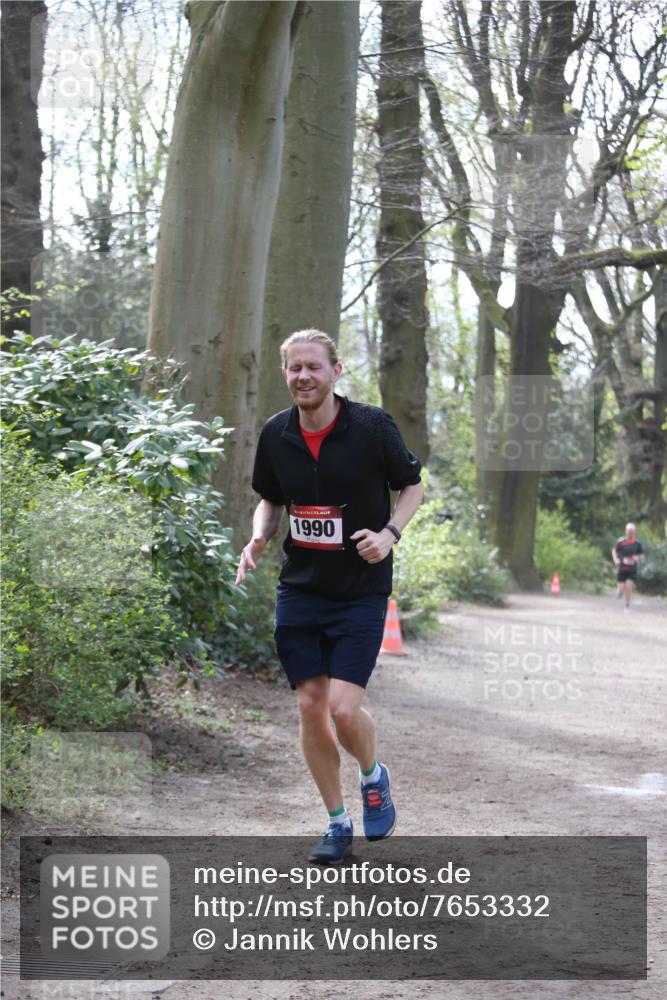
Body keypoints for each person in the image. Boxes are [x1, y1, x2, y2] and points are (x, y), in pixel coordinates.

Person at [236, 329, 424, 863]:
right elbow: (271, 498)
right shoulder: (276, 433)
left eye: (313, 367)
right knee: (309, 705)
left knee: (343, 709)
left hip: (361, 590)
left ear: (335, 371)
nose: (303, 377)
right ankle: (337, 822)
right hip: (301, 589)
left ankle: (373, 775)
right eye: (294, 368)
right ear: (285, 373)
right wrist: (259, 536)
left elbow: (413, 485)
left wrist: (389, 534)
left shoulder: (371, 426)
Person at [612, 522, 644, 613]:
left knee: (629, 587)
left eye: (632, 531)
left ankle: (627, 606)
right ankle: (619, 591)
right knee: (622, 589)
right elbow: (614, 550)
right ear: (625, 531)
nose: (630, 533)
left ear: (635, 532)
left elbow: (642, 555)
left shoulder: (637, 543)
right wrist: (615, 560)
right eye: (629, 531)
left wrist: (637, 557)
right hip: (622, 568)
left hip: (632, 569)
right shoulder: (621, 542)